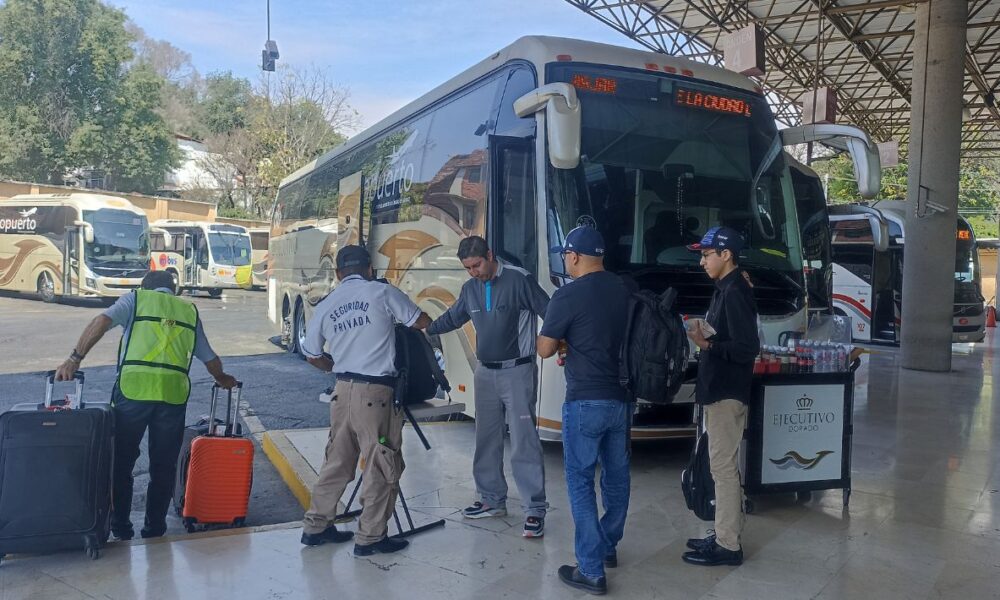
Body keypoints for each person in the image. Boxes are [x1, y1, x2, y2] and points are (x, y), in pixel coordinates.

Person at [55, 271, 237, 541]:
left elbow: (101, 321)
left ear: (145, 287)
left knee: (122, 461)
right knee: (163, 466)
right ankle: (154, 529)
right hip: (172, 398)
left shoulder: (135, 300)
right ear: (172, 290)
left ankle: (121, 527)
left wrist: (74, 358)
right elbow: (209, 358)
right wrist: (223, 379)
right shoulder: (188, 311)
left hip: (133, 393)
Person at [299, 245, 432, 556]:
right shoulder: (382, 293)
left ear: (338, 273)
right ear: (370, 268)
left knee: (337, 462)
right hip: (376, 397)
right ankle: (371, 537)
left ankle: (316, 526)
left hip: (342, 391)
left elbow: (311, 354)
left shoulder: (327, 303)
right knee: (381, 463)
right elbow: (421, 322)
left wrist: (338, 367)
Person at [426, 236, 550, 538]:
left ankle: (534, 509)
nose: (474, 272)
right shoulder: (470, 289)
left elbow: (552, 313)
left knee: (524, 440)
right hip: (484, 374)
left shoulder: (520, 280)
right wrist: (422, 327)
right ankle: (491, 500)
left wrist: (559, 345)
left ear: (490, 255)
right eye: (468, 268)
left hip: (517, 372)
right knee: (486, 438)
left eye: (477, 265)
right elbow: (453, 318)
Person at [537, 226, 632, 595]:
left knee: (579, 482)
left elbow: (545, 349)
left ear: (573, 256)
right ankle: (607, 546)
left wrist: (562, 339)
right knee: (617, 479)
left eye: (566, 256)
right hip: (622, 399)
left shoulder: (568, 294)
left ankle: (590, 569)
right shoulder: (625, 289)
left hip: (585, 401)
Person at [683, 226, 759, 567]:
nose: (702, 261)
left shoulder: (736, 292)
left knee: (724, 468)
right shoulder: (726, 288)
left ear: (725, 255)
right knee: (721, 466)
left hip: (727, 393)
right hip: (718, 390)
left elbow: (747, 348)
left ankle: (729, 545)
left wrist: (707, 344)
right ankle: (725, 529)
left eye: (706, 254)